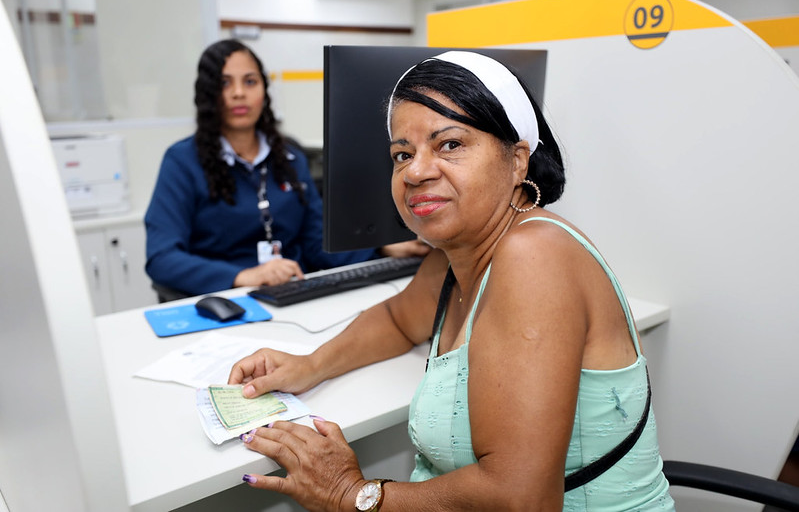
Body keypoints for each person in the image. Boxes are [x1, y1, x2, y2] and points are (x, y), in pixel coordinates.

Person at [228, 51, 675, 511]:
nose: (416, 171)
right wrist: (310, 365)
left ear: (518, 160)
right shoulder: (455, 255)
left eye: (450, 145)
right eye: (402, 154)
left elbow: (520, 500)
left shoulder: (534, 255)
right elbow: (398, 320)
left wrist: (349, 494)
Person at [144, 39, 429, 299]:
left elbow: (317, 244)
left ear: (264, 90)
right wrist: (242, 276)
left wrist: (380, 249)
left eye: (250, 81)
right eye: (224, 83)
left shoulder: (289, 156)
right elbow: (162, 258)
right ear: (208, 94)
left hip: (291, 294)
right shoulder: (182, 161)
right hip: (226, 300)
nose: (239, 93)